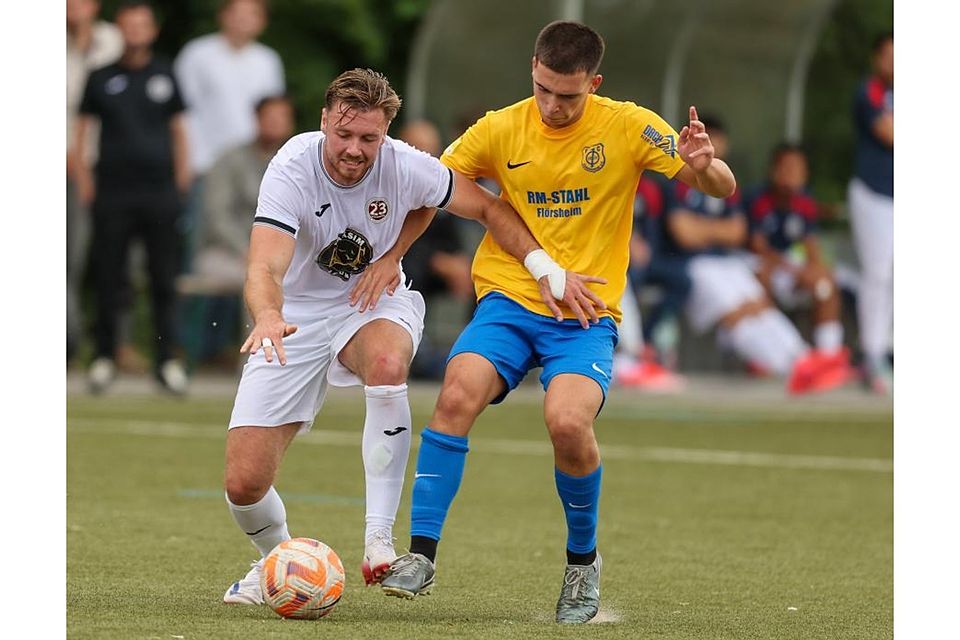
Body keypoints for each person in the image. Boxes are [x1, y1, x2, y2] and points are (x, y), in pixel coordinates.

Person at [380, 21, 736, 624]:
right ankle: (421, 554)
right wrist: (391, 256)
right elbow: (434, 185)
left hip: (585, 313)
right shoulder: (500, 127)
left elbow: (721, 188)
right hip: (511, 298)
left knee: (568, 423)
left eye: (567, 95)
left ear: (593, 84)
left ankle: (581, 563)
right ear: (533, 70)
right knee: (456, 393)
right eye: (543, 89)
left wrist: (705, 166)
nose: (552, 105)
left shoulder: (628, 125)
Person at [221, 68, 599, 606]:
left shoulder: (406, 164)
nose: (354, 150)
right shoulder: (291, 165)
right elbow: (264, 266)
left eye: (369, 138)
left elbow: (488, 207)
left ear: (386, 134)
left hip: (372, 301)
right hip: (292, 314)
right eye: (344, 134)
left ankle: (379, 540)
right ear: (324, 121)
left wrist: (544, 269)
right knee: (243, 485)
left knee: (387, 364)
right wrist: (266, 315)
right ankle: (279, 562)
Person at [660, 117, 851, 390]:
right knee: (737, 312)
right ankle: (790, 368)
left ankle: (803, 358)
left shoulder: (724, 182)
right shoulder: (675, 180)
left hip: (726, 260)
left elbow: (736, 232)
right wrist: (718, 230)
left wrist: (703, 229)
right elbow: (684, 233)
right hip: (692, 264)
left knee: (758, 304)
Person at [74, 0, 191, 394]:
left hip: (159, 192)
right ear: (119, 30)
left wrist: (181, 179)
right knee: (110, 276)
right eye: (129, 25)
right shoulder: (101, 76)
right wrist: (85, 180)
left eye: (142, 25)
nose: (136, 31)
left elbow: (178, 130)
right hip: (113, 192)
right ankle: (104, 356)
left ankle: (166, 360)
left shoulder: (165, 74)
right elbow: (83, 130)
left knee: (163, 278)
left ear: (152, 30)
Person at [174, 0, 285, 269]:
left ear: (262, 22)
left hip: (253, 165)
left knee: (251, 240)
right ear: (223, 15)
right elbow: (180, 114)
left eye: (252, 14)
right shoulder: (197, 54)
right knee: (199, 240)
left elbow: (274, 114)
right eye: (237, 13)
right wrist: (185, 161)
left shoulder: (267, 60)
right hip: (204, 164)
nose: (243, 19)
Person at [186, 95, 296, 364]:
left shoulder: (296, 162)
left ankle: (296, 362)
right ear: (256, 119)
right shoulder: (230, 159)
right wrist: (250, 251)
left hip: (280, 256)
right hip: (225, 253)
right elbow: (217, 216)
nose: (276, 123)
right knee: (260, 279)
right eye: (270, 116)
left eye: (282, 117)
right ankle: (257, 363)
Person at [747, 143, 846, 360]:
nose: (793, 174)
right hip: (762, 266)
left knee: (825, 280)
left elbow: (812, 248)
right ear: (774, 171)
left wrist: (812, 270)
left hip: (791, 270)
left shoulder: (805, 202)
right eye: (788, 168)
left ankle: (828, 354)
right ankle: (763, 356)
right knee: (760, 275)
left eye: (799, 169)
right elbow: (758, 247)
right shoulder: (759, 199)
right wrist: (791, 269)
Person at [396, 119, 475, 379]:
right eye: (419, 149)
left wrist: (459, 262)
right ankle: (414, 349)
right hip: (403, 266)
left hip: (434, 269)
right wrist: (436, 260)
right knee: (410, 271)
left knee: (481, 275)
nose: (426, 157)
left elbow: (451, 236)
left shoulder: (442, 184)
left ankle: (473, 353)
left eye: (431, 151)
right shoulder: (389, 185)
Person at [67, 0, 123, 362]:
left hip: (99, 166)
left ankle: (104, 343)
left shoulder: (112, 40)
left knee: (89, 258)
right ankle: (68, 340)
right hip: (63, 163)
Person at [848, 33, 893, 394]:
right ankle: (872, 353)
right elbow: (888, 133)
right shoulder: (871, 92)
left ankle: (889, 348)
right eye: (889, 56)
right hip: (874, 193)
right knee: (877, 274)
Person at [615, 175, 690, 390]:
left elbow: (652, 232)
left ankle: (646, 344)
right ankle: (635, 355)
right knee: (623, 280)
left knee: (681, 280)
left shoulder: (649, 190)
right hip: (610, 257)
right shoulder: (607, 178)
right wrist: (626, 242)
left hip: (643, 260)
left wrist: (645, 249)